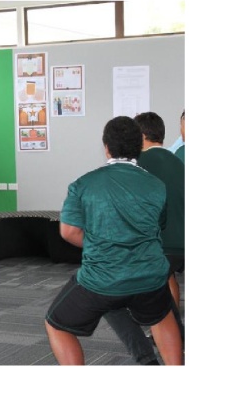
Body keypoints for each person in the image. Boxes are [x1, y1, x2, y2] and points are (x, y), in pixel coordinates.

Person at [44, 116, 182, 366]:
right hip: (148, 276)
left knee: (56, 324)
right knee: (163, 317)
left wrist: (102, 245)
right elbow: (157, 227)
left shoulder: (83, 184)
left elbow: (69, 232)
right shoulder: (156, 185)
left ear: (106, 147)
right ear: (138, 147)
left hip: (102, 279)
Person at [104, 111, 186, 365]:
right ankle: (177, 340)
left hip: (157, 247)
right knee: (160, 292)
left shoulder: (138, 165)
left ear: (140, 136)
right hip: (183, 243)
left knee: (113, 296)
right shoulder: (178, 161)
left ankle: (149, 357)